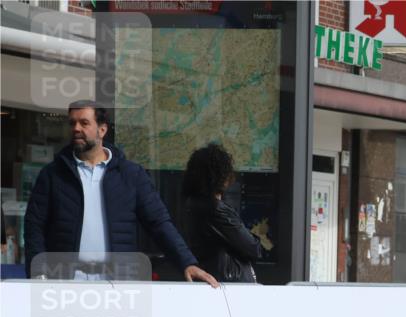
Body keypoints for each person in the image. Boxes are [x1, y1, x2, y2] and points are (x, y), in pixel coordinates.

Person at [23, 100, 218, 286]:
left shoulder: (131, 175)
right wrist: (38, 273)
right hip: (65, 282)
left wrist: (187, 262)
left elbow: (158, 222)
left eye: (84, 123)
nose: (76, 128)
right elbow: (34, 226)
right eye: (72, 123)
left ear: (102, 129)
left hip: (117, 283)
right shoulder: (52, 175)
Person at [181, 143, 261, 283]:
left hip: (209, 279)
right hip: (228, 285)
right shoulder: (216, 209)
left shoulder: (191, 204)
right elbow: (253, 248)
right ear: (220, 176)